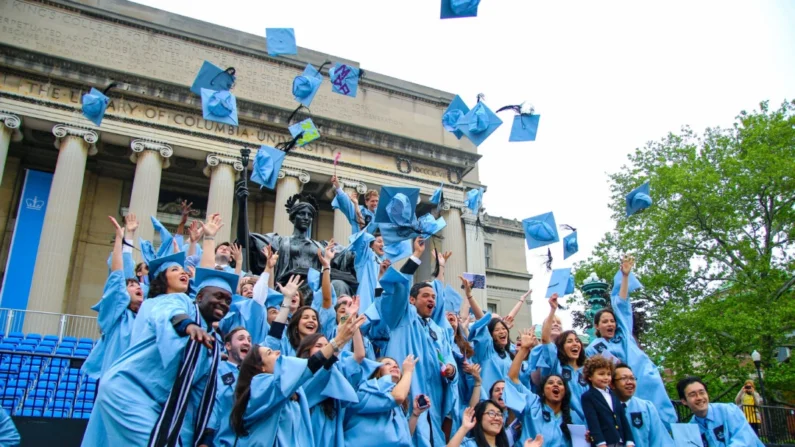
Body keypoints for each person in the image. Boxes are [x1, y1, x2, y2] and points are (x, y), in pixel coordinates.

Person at [82, 266, 238, 446]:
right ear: (200, 297)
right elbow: (166, 312)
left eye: (228, 300)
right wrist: (187, 325)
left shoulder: (211, 346)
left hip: (158, 405)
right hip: (129, 391)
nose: (224, 304)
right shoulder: (181, 303)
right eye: (218, 296)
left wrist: (205, 436)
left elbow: (203, 395)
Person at [228, 309, 366, 446]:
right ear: (260, 367)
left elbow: (323, 367)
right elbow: (310, 366)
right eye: (270, 353)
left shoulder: (291, 391)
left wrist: (342, 336)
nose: (277, 352)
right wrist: (337, 341)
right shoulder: (260, 387)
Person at [376, 250, 458, 447]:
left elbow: (447, 357)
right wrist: (415, 256)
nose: (432, 300)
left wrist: (451, 370)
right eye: (426, 296)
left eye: (434, 297)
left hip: (434, 397)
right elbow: (398, 288)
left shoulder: (437, 331)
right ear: (412, 300)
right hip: (409, 389)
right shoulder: (402, 317)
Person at [585, 256, 677, 425]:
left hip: (646, 380)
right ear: (596, 326)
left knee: (659, 420)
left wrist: (625, 277)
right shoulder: (593, 348)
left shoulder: (624, 334)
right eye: (605, 322)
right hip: (621, 387)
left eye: (612, 320)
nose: (610, 324)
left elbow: (622, 304)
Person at [82, 214, 145, 381]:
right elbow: (118, 275)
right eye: (132, 286)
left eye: (138, 285)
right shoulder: (116, 317)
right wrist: (121, 239)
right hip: (115, 383)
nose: (138, 286)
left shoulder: (146, 318)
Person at [505, 329, 573, 447]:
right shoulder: (532, 404)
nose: (555, 385)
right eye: (550, 383)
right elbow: (512, 379)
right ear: (542, 391)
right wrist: (524, 349)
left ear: (565, 391)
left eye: (560, 383)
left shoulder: (572, 416)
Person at [343, 355, 421, 447]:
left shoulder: (398, 405)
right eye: (388, 364)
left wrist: (415, 414)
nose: (395, 366)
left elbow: (405, 437)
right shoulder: (366, 390)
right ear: (376, 370)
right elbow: (398, 397)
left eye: (397, 365)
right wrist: (408, 372)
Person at [678, 377, 764, 446]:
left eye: (702, 392)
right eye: (693, 395)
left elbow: (744, 440)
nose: (699, 397)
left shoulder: (729, 411)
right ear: (684, 401)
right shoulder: (690, 431)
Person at [208, 327, 251, 447]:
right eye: (241, 339)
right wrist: (206, 438)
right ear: (228, 346)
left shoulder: (256, 376)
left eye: (249, 339)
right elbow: (213, 406)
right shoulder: (217, 370)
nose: (246, 342)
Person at [612, 363, 674, 447]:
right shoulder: (603, 408)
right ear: (611, 384)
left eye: (632, 378)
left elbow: (658, 440)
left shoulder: (646, 407)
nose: (629, 382)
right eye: (624, 378)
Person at [581, 355, 635, 447]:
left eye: (608, 374)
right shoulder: (588, 397)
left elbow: (623, 419)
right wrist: (600, 443)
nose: (606, 377)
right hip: (605, 443)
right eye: (601, 374)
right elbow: (593, 423)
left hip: (620, 441)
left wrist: (630, 441)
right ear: (590, 377)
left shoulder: (614, 394)